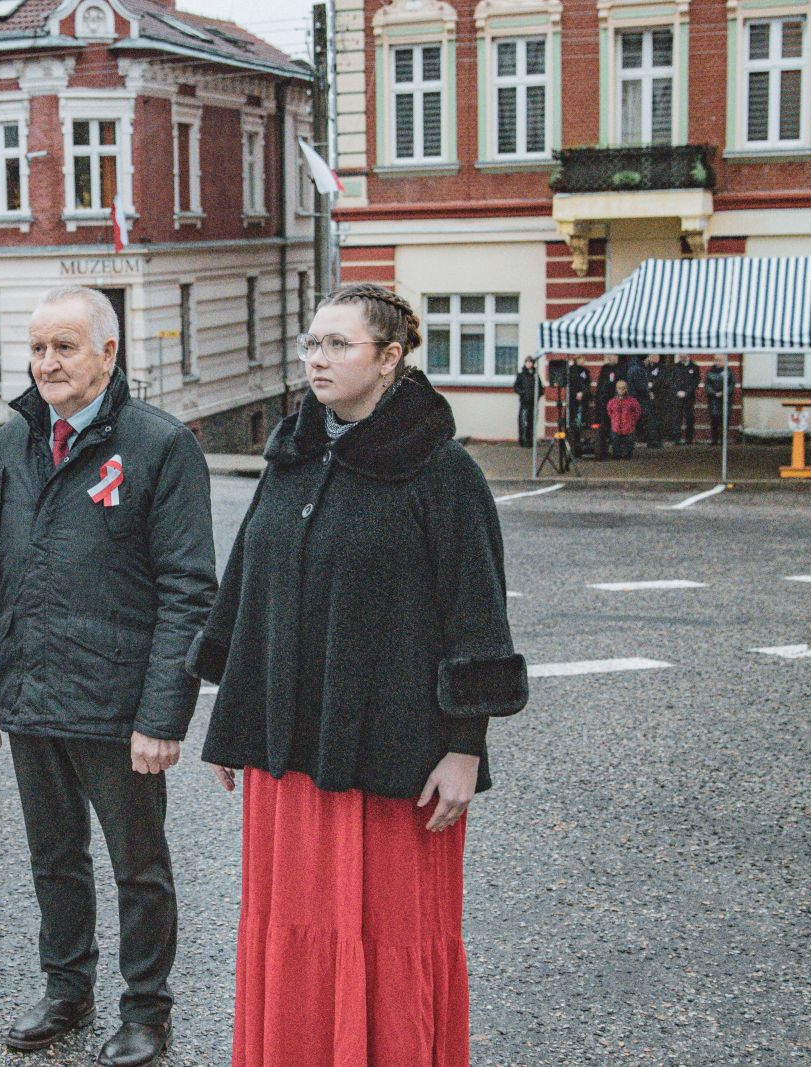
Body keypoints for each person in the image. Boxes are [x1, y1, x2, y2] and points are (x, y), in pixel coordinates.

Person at [191, 282, 528, 1067]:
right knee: (295, 929)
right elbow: (246, 596)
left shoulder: (443, 474)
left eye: (338, 344)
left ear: (389, 358)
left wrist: (465, 747)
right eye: (312, 342)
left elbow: (476, 614)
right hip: (288, 759)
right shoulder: (290, 461)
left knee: (391, 932)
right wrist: (231, 724)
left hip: (397, 763)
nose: (317, 358)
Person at [0, 286, 216, 1067]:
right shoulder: (11, 443)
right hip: (31, 691)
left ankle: (146, 1008)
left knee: (139, 866)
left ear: (108, 352)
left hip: (118, 702)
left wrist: (163, 716)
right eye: (38, 348)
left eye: (64, 346)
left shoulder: (160, 446)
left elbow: (188, 589)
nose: (47, 363)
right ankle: (66, 989)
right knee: (54, 857)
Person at [593, 360, 624, 460]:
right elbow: (600, 387)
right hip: (604, 404)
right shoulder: (605, 369)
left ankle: (615, 451)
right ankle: (603, 451)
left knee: (615, 428)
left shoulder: (620, 369)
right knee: (603, 428)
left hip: (614, 403)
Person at [606, 379, 642, 459]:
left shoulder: (632, 401)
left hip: (629, 427)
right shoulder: (612, 402)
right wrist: (614, 420)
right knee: (615, 443)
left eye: (623, 388)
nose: (621, 390)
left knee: (629, 446)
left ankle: (626, 454)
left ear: (626, 388)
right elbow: (609, 412)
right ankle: (617, 454)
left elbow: (637, 412)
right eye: (619, 388)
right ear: (616, 389)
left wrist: (632, 421)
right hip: (616, 427)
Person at [644, 355, 672, 448]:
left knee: (659, 419)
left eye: (657, 355)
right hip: (647, 397)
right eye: (653, 355)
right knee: (649, 420)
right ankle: (650, 440)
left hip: (660, 398)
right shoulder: (645, 368)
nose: (655, 357)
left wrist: (653, 384)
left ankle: (658, 440)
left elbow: (665, 381)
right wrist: (648, 390)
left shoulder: (663, 368)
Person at [566, 357, 592, 457]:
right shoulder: (571, 370)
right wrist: (576, 394)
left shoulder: (585, 371)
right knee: (573, 424)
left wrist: (583, 393)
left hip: (583, 401)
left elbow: (587, 384)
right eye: (581, 359)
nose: (583, 361)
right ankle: (573, 447)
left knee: (583, 423)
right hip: (573, 401)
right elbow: (570, 385)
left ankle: (581, 446)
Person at [704, 356, 734, 445]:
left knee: (724, 421)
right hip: (713, 400)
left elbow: (731, 384)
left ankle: (723, 440)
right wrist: (714, 393)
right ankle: (714, 440)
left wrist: (724, 392)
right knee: (714, 420)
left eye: (720, 360)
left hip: (726, 400)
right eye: (716, 360)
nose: (718, 362)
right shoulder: (710, 372)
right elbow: (707, 385)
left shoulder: (729, 372)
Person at [674, 356, 701, 445]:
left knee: (689, 418)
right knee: (677, 418)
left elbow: (696, 382)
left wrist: (687, 392)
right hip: (677, 397)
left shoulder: (694, 367)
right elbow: (672, 380)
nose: (681, 355)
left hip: (689, 397)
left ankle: (689, 440)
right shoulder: (675, 366)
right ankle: (677, 439)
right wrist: (677, 391)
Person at [512, 356, 537, 447]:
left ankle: (530, 440)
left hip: (533, 402)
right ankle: (522, 440)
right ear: (525, 363)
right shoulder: (521, 375)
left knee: (531, 422)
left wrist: (537, 396)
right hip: (524, 402)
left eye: (530, 362)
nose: (529, 364)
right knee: (523, 421)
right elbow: (516, 387)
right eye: (527, 362)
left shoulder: (535, 375)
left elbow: (540, 388)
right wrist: (523, 393)